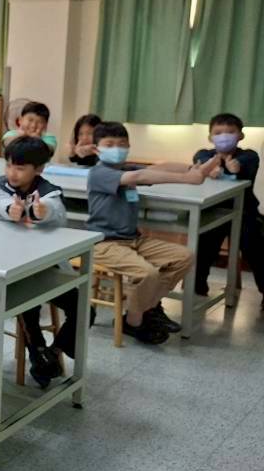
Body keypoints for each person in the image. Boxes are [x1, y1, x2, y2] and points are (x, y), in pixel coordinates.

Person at [88, 121, 217, 344]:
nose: (117, 148)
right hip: (105, 242)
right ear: (96, 149)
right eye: (110, 144)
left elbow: (159, 168)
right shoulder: (99, 172)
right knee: (147, 274)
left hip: (134, 239)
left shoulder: (126, 168)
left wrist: (192, 168)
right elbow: (139, 177)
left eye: (122, 144)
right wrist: (188, 179)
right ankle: (136, 320)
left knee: (184, 256)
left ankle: (142, 310)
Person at [0, 137, 80, 388]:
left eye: (20, 168)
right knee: (27, 306)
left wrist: (41, 212)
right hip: (9, 268)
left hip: (46, 266)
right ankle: (37, 351)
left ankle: (54, 351)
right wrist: (9, 210)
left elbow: (56, 212)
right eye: (9, 166)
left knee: (82, 307)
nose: (12, 173)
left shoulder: (49, 191)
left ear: (39, 169)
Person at [193, 112, 263, 303]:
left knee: (255, 248)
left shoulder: (249, 155)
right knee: (203, 246)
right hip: (214, 211)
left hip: (245, 212)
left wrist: (235, 168)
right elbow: (199, 160)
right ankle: (197, 288)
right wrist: (209, 168)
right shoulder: (204, 154)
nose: (224, 136)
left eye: (230, 132)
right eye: (218, 132)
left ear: (240, 135)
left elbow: (245, 164)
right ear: (210, 137)